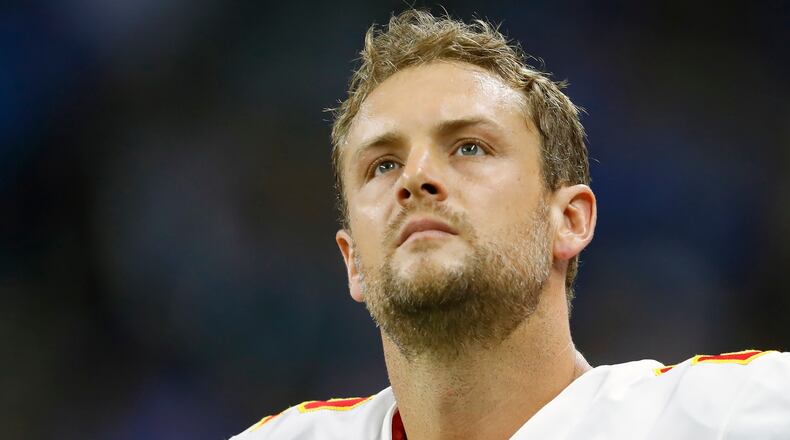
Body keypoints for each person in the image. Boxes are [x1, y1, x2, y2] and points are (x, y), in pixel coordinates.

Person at [231, 9, 790, 440]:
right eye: (383, 164)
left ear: (569, 220)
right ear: (352, 261)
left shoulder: (729, 412)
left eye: (469, 147)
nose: (416, 177)